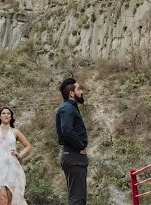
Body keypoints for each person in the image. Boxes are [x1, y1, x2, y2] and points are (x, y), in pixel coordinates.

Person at [0, 106, 32, 205]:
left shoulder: (15, 132)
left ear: (11, 117)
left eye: (8, 113)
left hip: (12, 167)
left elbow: (28, 146)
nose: (6, 115)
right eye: (3, 113)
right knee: (2, 198)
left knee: (9, 200)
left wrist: (20, 155)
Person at [56, 77, 88, 205]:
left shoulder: (69, 108)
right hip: (74, 156)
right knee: (77, 200)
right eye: (78, 89)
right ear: (71, 93)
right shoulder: (67, 108)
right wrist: (81, 147)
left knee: (78, 198)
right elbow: (67, 130)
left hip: (72, 156)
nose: (81, 92)